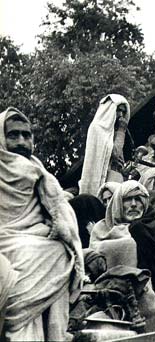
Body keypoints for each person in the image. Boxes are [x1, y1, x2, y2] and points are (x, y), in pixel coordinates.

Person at [0, 107, 84, 340]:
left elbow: (59, 212)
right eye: (13, 135)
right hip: (6, 246)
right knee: (55, 253)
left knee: (58, 252)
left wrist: (55, 229)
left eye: (27, 135)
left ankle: (55, 336)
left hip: (35, 245)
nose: (21, 142)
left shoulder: (39, 171)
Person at [80, 95, 131, 196]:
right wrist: (122, 130)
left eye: (123, 112)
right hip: (104, 178)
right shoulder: (98, 128)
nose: (120, 115)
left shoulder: (115, 131)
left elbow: (118, 158)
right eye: (118, 110)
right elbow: (115, 153)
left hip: (116, 176)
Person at [89, 180, 147, 269]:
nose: (133, 204)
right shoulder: (100, 228)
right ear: (117, 202)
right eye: (127, 199)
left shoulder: (149, 229)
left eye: (138, 199)